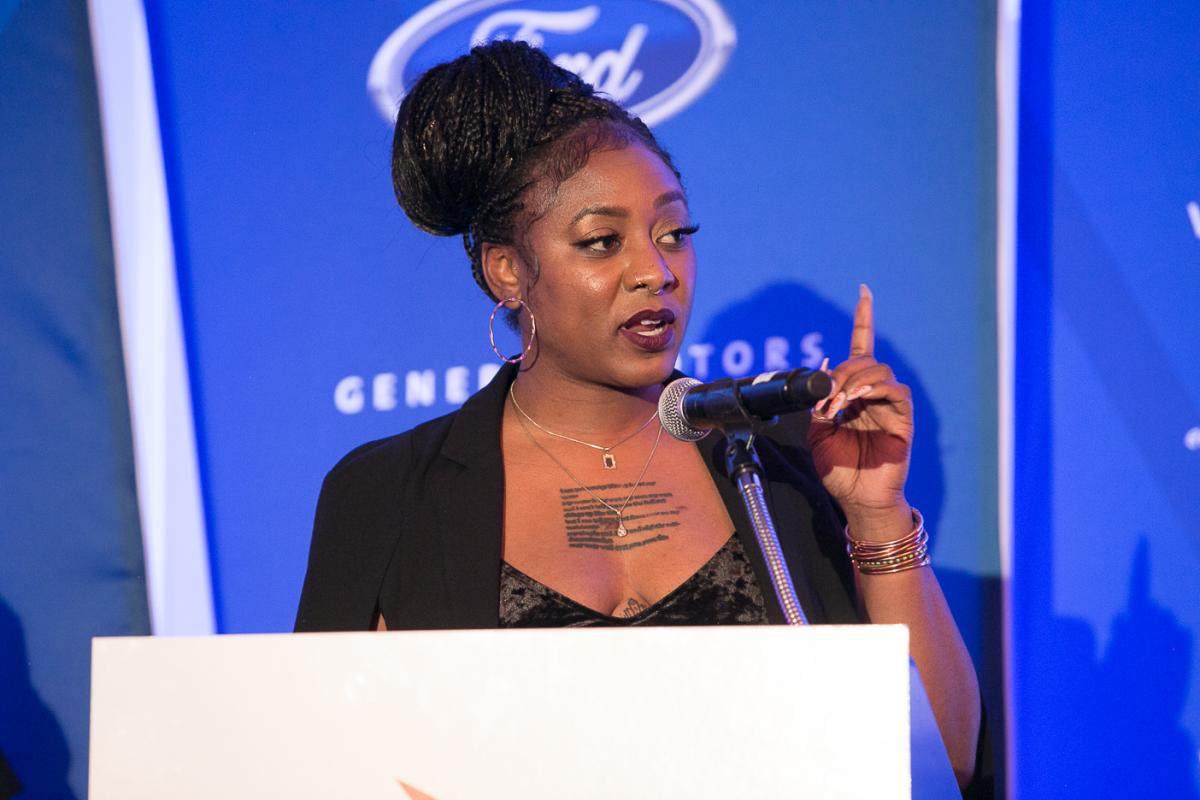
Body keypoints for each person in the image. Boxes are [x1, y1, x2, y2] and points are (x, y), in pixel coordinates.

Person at [296, 40, 991, 795]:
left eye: (674, 235)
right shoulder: (390, 495)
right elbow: (333, 767)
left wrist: (877, 516)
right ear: (507, 270)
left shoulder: (781, 459)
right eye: (602, 242)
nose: (655, 272)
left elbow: (945, 764)